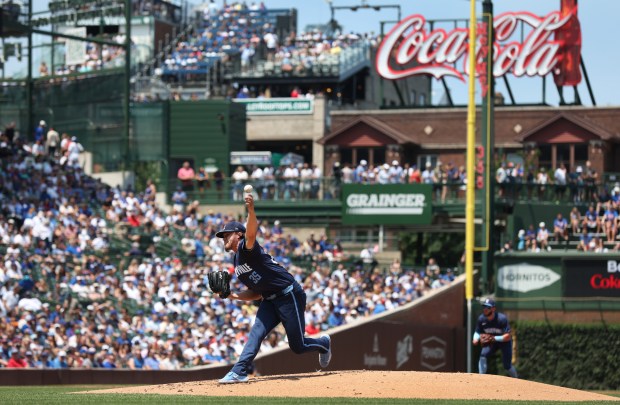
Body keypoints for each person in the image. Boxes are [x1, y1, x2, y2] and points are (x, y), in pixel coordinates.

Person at [214, 192, 332, 383]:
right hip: (269, 299)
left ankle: (323, 343)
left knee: (298, 346)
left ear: (239, 234)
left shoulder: (246, 247)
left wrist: (251, 209)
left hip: (288, 294)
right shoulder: (237, 261)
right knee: (256, 333)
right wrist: (232, 295)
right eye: (222, 236)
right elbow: (256, 293)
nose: (224, 238)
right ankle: (239, 371)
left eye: (227, 234)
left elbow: (251, 230)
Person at [473, 298, 518, 378]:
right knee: (483, 355)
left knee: (507, 365)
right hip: (491, 342)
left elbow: (508, 336)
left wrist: (494, 338)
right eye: (484, 307)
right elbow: (477, 331)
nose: (485, 309)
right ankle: (481, 378)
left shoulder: (501, 319)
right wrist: (475, 338)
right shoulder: (481, 319)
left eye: (488, 307)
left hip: (504, 342)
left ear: (493, 309)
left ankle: (517, 380)